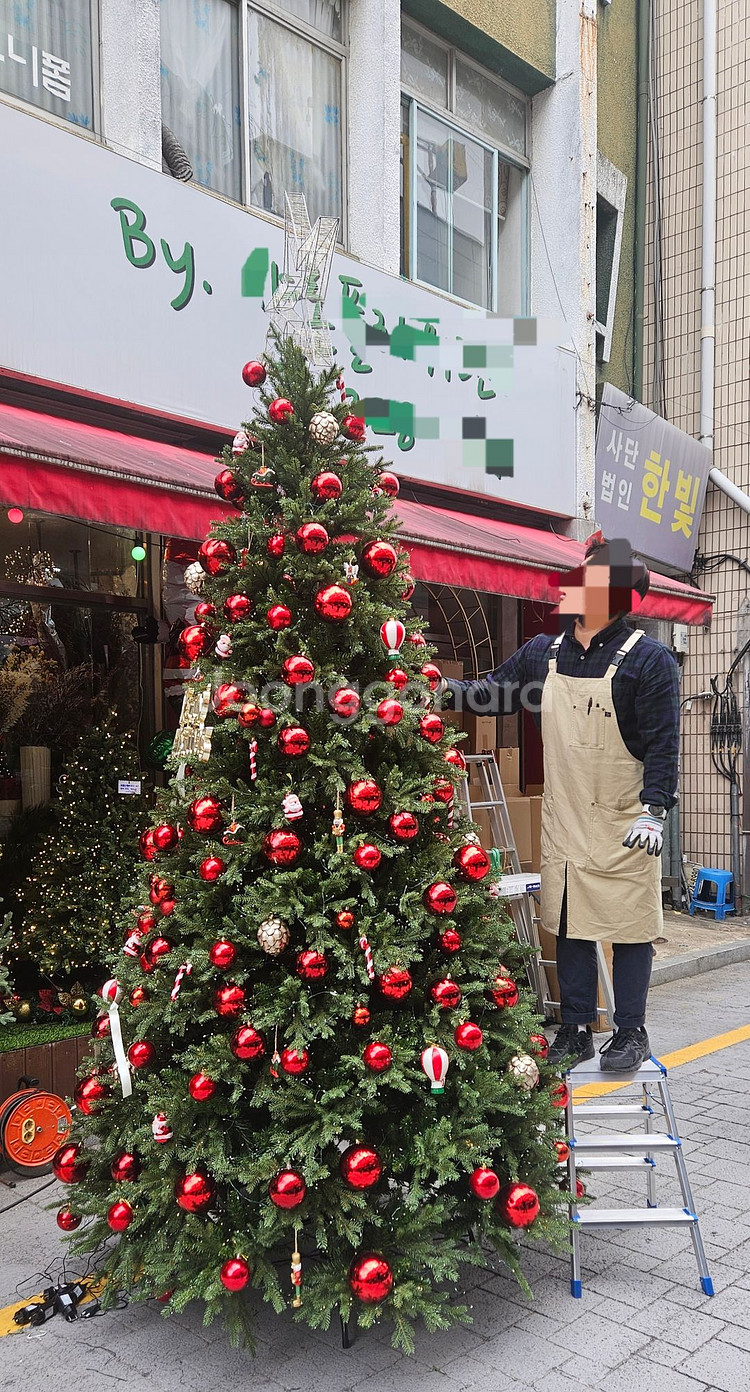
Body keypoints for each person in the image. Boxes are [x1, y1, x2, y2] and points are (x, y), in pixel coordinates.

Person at [442, 535, 680, 1072]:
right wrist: (432, 686)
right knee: (569, 921)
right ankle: (574, 1028)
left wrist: (655, 808)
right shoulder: (542, 654)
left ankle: (631, 1031)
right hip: (567, 813)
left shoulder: (650, 660)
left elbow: (664, 743)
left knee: (629, 925)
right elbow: (489, 694)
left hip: (626, 818)